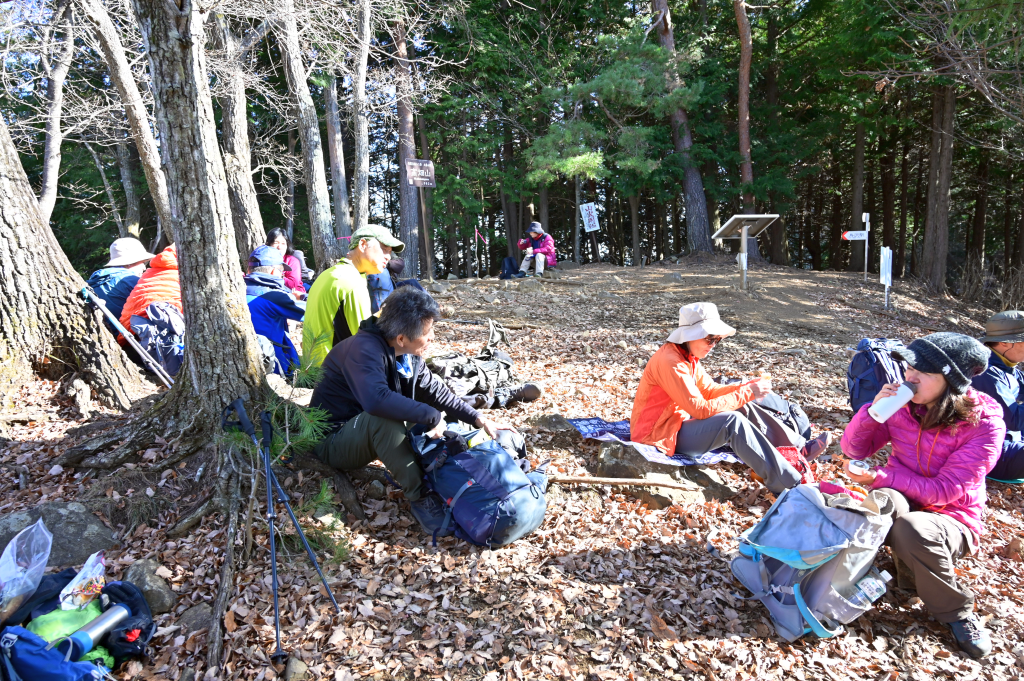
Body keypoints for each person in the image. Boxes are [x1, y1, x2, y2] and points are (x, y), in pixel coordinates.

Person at [841, 332, 1003, 659]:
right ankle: (843, 577)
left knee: (912, 528)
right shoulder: (903, 406)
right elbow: (852, 448)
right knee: (881, 501)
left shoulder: (984, 421)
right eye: (908, 369)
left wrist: (880, 475)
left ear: (950, 380)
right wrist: (873, 412)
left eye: (922, 373)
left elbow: (946, 491)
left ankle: (956, 613)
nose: (909, 378)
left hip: (953, 518)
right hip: (906, 499)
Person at [309, 287, 510, 535]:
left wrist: (479, 418)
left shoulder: (406, 355)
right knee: (387, 418)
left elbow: (438, 392)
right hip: (334, 440)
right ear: (402, 338)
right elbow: (376, 401)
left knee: (430, 415)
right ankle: (420, 496)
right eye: (428, 332)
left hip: (361, 432)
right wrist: (431, 415)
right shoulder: (363, 350)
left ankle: (447, 477)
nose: (433, 337)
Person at [630, 303, 827, 494]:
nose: (713, 345)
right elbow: (700, 409)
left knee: (742, 404)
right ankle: (788, 484)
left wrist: (746, 389)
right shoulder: (671, 362)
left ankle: (797, 449)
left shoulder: (687, 357)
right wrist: (747, 392)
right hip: (658, 436)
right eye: (710, 339)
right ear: (691, 335)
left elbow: (709, 390)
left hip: (675, 425)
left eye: (717, 340)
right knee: (733, 422)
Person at [302, 225, 404, 367]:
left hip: (313, 369)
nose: (388, 256)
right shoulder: (351, 280)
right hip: (334, 375)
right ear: (362, 245)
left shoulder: (329, 274)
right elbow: (365, 338)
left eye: (390, 252)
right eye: (384, 249)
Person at [972, 311, 1024, 481]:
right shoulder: (985, 372)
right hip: (990, 452)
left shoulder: (1006, 365)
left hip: (1008, 439)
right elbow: (1014, 420)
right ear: (1005, 343)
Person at [245, 245, 306, 376]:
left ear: (248, 269)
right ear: (273, 272)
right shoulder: (274, 296)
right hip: (274, 368)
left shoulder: (235, 290)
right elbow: (312, 311)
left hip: (241, 364)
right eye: (282, 272)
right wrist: (303, 296)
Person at [86, 237, 156, 331]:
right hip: (130, 340)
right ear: (129, 263)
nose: (144, 268)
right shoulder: (132, 281)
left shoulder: (94, 281)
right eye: (142, 262)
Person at [119, 243, 182, 334]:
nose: (144, 267)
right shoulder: (183, 275)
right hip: (161, 328)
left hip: (128, 330)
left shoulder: (149, 273)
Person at [266, 228, 306, 297]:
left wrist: (279, 276)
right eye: (276, 243)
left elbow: (293, 284)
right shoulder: (263, 259)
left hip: (294, 296)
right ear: (268, 244)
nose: (279, 247)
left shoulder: (292, 261)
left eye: (283, 243)